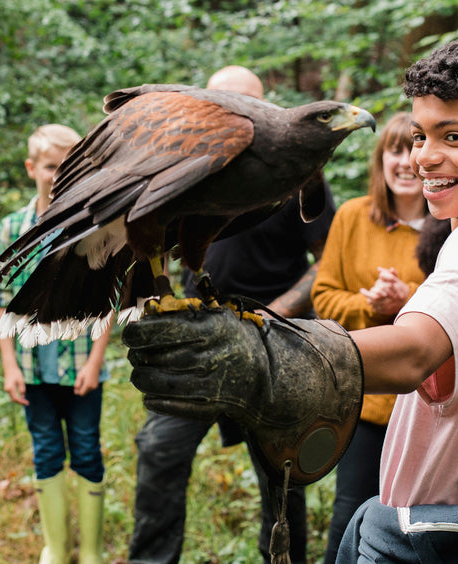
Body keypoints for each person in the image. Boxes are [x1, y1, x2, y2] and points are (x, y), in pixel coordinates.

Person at [125, 35, 458, 562]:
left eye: (454, 136)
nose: (426, 157)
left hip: (449, 541)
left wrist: (263, 352)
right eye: (419, 135)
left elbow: (415, 351)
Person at [127, 65, 335, 564]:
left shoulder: (293, 161)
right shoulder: (185, 153)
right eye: (222, 103)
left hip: (272, 340)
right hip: (198, 335)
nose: (237, 116)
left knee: (281, 472)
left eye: (250, 103)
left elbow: (329, 257)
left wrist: (279, 313)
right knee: (160, 450)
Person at [0, 124, 113, 564]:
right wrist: (9, 365)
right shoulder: (11, 230)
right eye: (49, 166)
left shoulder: (91, 227)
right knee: (45, 449)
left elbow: (107, 301)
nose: (58, 175)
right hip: (32, 366)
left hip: (80, 363)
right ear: (31, 168)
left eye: (68, 166)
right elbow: (2, 301)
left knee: (85, 447)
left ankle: (93, 551)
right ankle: (57, 550)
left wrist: (96, 361)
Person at [310, 111, 429, 564]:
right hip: (362, 395)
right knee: (351, 515)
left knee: (416, 520)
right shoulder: (353, 216)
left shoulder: (451, 227)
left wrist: (407, 298)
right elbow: (324, 298)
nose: (405, 161)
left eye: (414, 149)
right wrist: (369, 305)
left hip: (424, 403)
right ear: (381, 161)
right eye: (394, 150)